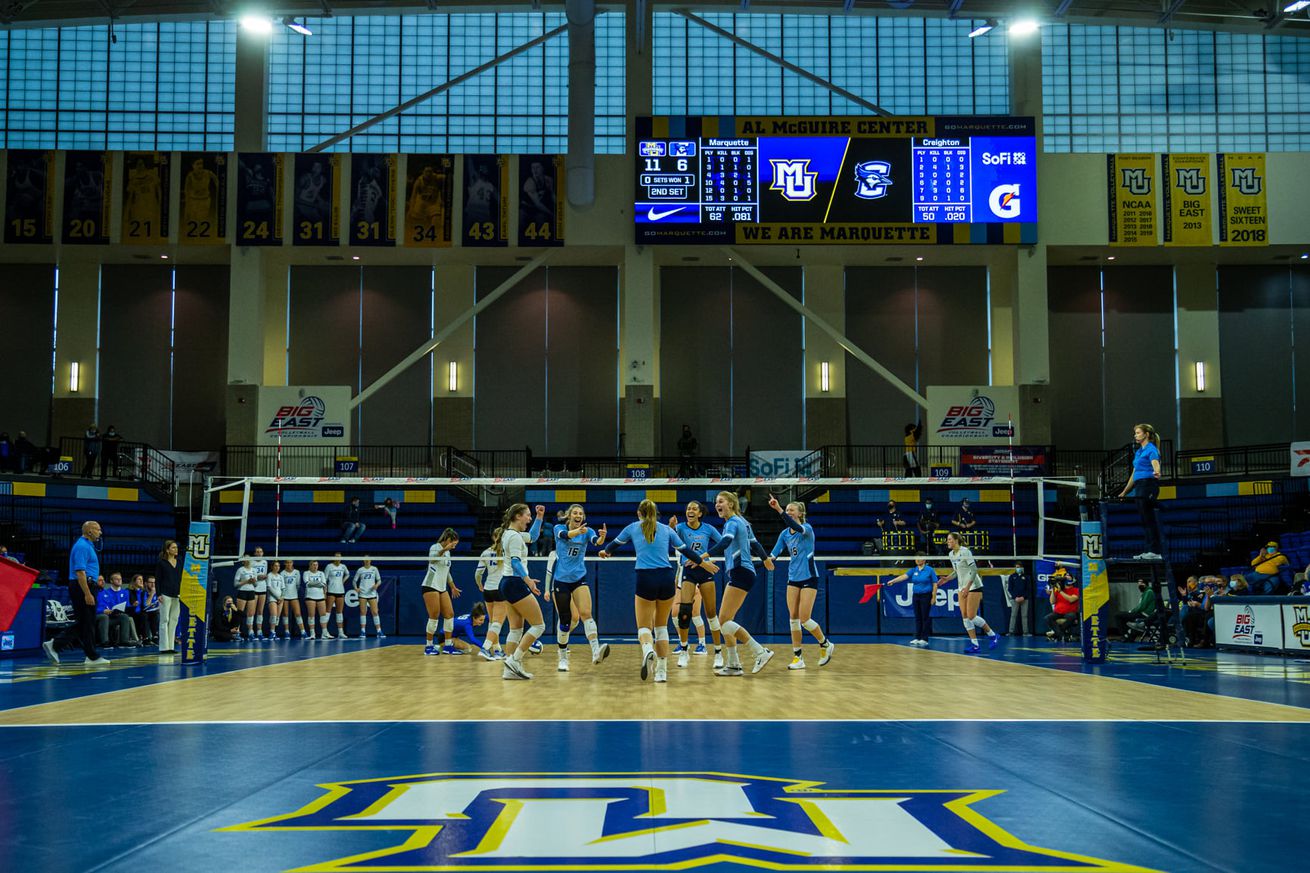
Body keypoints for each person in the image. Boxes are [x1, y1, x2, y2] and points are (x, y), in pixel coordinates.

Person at [600, 499, 717, 683]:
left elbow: (611, 546)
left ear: (639, 513)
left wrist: (604, 552)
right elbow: (687, 552)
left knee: (644, 627)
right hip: (666, 578)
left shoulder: (632, 527)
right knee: (662, 627)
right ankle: (661, 671)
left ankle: (648, 650)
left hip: (645, 578)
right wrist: (704, 563)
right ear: (656, 513)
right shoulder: (667, 529)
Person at [697, 491, 774, 677]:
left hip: (741, 571)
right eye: (716, 502)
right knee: (725, 621)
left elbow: (725, 542)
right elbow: (755, 544)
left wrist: (703, 557)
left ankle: (760, 652)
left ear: (731, 504)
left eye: (721, 501)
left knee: (723, 621)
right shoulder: (743, 522)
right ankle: (733, 665)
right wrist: (765, 559)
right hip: (743, 573)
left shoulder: (732, 523)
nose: (717, 505)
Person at [767, 495, 835, 669]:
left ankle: (825, 643)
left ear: (800, 513)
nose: (789, 511)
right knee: (793, 619)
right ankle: (798, 658)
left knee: (805, 618)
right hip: (793, 578)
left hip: (809, 576)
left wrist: (779, 510)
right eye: (787, 509)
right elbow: (775, 552)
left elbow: (794, 526)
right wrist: (767, 559)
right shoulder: (784, 534)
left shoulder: (806, 528)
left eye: (791, 509)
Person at [544, 505, 609, 672]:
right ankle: (563, 657)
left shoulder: (587, 531)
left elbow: (596, 542)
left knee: (586, 614)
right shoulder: (559, 528)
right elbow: (565, 535)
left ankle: (596, 651)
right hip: (561, 580)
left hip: (579, 578)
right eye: (575, 513)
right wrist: (577, 532)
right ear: (569, 516)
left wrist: (602, 539)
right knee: (566, 620)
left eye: (580, 513)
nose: (578, 515)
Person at [492, 504, 548, 680]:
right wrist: (528, 580)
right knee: (539, 625)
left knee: (516, 629)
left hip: (507, 583)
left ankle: (509, 669)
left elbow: (532, 536)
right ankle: (515, 661)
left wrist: (540, 517)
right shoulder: (514, 538)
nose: (529, 519)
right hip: (515, 582)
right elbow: (516, 563)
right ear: (517, 516)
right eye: (528, 516)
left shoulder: (510, 534)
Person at [670, 500, 726, 668]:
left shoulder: (708, 529)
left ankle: (718, 652)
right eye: (688, 508)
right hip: (688, 571)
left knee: (711, 613)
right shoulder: (680, 528)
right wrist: (671, 528)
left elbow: (723, 543)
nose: (690, 510)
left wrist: (709, 559)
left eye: (694, 508)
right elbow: (672, 541)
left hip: (705, 571)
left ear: (700, 513)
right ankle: (684, 651)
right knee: (684, 610)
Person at [941, 531, 998, 653]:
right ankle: (975, 644)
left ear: (956, 540)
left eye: (950, 539)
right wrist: (947, 579)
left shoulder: (965, 552)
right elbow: (957, 571)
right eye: (947, 539)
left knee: (971, 615)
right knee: (965, 616)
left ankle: (993, 635)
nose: (948, 542)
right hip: (962, 586)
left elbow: (974, 569)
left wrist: (968, 587)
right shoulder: (951, 554)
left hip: (973, 585)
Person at [1117, 423, 1164, 560]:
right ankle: (1149, 550)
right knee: (1144, 520)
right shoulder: (1139, 452)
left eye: (1138, 433)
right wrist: (1125, 491)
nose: (1135, 435)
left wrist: (1157, 471)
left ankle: (1155, 551)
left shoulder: (1151, 449)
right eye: (1135, 433)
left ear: (1146, 434)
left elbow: (1155, 463)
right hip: (1139, 486)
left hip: (1148, 485)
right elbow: (1134, 473)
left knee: (1149, 519)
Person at [64, 521, 109, 665]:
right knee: (86, 622)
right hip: (82, 586)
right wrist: (87, 593)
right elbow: (80, 572)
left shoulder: (88, 545)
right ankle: (57, 644)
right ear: (89, 531)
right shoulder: (82, 546)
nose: (100, 532)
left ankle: (91, 655)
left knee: (87, 622)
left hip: (88, 585)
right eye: (98, 529)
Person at [421, 528, 462, 656]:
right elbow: (432, 560)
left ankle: (448, 646)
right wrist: (444, 550)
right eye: (453, 544)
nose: (454, 546)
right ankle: (428, 646)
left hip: (442, 587)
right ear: (448, 540)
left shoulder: (448, 553)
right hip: (430, 585)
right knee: (434, 615)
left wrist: (453, 586)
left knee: (450, 614)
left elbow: (447, 571)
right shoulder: (435, 547)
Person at [885, 552, 940, 646]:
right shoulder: (913, 570)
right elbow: (903, 576)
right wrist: (893, 581)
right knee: (918, 617)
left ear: (924, 559)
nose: (918, 560)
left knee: (925, 617)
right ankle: (917, 637)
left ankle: (924, 638)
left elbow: (935, 584)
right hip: (916, 596)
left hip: (926, 596)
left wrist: (933, 597)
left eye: (920, 558)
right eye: (916, 558)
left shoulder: (929, 570)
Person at [155, 539, 182, 654]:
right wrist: (158, 594)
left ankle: (171, 646)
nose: (176, 549)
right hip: (165, 594)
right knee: (164, 620)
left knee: (174, 620)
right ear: (167, 550)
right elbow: (158, 579)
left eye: (176, 547)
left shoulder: (179, 561)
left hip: (177, 594)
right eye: (173, 547)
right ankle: (163, 647)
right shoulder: (162, 563)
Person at [96, 572, 138, 648]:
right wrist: (103, 611)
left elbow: (125, 606)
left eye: (120, 579)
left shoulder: (123, 592)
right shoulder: (102, 593)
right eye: (116, 579)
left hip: (113, 616)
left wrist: (132, 606)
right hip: (103, 616)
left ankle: (124, 641)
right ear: (111, 581)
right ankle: (105, 642)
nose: (119, 580)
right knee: (104, 617)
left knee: (124, 617)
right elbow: (97, 607)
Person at [353, 557, 385, 639]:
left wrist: (376, 585)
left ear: (370, 560)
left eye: (368, 559)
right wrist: (356, 588)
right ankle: (363, 631)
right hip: (363, 594)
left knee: (375, 612)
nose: (367, 560)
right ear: (363, 560)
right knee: (363, 612)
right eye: (365, 559)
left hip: (372, 594)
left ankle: (379, 631)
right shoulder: (360, 570)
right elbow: (354, 581)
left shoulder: (374, 569)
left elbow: (379, 580)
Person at [1045, 568, 1081, 639]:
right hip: (1058, 612)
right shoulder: (1059, 590)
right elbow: (1052, 601)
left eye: (1068, 576)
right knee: (1047, 618)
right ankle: (1062, 635)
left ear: (1073, 579)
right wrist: (1053, 589)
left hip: (1070, 612)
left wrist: (1061, 591)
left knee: (1071, 617)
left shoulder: (1076, 590)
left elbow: (1071, 599)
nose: (1066, 578)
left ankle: (1057, 634)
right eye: (1065, 576)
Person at [233, 556, 259, 640]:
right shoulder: (240, 570)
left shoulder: (254, 570)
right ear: (243, 561)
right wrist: (246, 581)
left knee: (251, 614)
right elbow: (235, 584)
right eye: (246, 559)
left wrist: (254, 582)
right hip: (242, 592)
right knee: (239, 613)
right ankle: (237, 632)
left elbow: (256, 585)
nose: (248, 560)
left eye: (249, 559)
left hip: (251, 592)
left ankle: (250, 632)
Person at [302, 560, 329, 639]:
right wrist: (318, 583)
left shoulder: (321, 573)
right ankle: (312, 634)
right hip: (310, 597)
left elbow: (324, 584)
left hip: (320, 596)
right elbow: (307, 583)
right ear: (310, 565)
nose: (315, 566)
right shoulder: (306, 573)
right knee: (311, 616)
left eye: (316, 565)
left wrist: (313, 583)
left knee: (323, 615)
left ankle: (324, 633)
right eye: (313, 565)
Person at [280, 558, 306, 639]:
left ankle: (303, 631)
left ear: (292, 563)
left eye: (290, 562)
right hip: (285, 596)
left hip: (294, 596)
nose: (288, 564)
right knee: (286, 614)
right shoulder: (282, 573)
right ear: (285, 563)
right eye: (287, 562)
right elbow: (282, 586)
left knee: (298, 614)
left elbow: (298, 585)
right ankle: (287, 632)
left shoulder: (297, 572)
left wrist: (294, 593)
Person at [324, 553, 349, 639]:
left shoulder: (343, 566)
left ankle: (340, 632)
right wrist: (325, 591)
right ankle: (324, 632)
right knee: (328, 611)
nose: (338, 558)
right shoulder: (329, 566)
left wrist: (342, 581)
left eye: (339, 557)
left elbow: (347, 574)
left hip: (340, 591)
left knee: (339, 612)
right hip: (331, 591)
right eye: (336, 557)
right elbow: (325, 580)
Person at [1005, 563, 1032, 637]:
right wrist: (1015, 597)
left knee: (1024, 616)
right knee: (1013, 615)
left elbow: (1029, 589)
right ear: (1015, 568)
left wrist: (1023, 597)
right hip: (1015, 599)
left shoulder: (1026, 577)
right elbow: (1010, 589)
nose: (1018, 568)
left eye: (1019, 567)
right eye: (1017, 567)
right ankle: (1011, 632)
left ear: (1022, 568)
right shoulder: (1012, 576)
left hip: (1024, 599)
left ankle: (1025, 632)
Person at [249, 546, 270, 640]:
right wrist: (258, 577)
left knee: (260, 611)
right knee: (251, 611)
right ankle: (250, 632)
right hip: (254, 588)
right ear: (254, 553)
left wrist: (262, 577)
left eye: (260, 552)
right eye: (257, 552)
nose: (259, 553)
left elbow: (265, 575)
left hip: (263, 588)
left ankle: (259, 631)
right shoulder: (251, 562)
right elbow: (251, 575)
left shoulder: (265, 562)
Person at [264, 560, 284, 640]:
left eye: (278, 566)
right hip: (272, 598)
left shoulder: (280, 576)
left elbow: (283, 588)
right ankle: (271, 632)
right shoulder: (269, 575)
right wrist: (277, 597)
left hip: (280, 599)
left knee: (277, 617)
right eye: (275, 566)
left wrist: (282, 597)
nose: (277, 567)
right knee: (273, 615)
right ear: (272, 567)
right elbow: (269, 587)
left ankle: (274, 632)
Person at [140, 576, 160, 644]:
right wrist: (152, 594)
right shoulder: (143, 593)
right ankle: (146, 638)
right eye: (150, 582)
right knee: (144, 615)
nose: (153, 584)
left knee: (156, 614)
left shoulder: (158, 592)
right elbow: (146, 605)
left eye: (154, 582)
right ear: (146, 583)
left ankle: (155, 637)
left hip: (156, 612)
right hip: (145, 612)